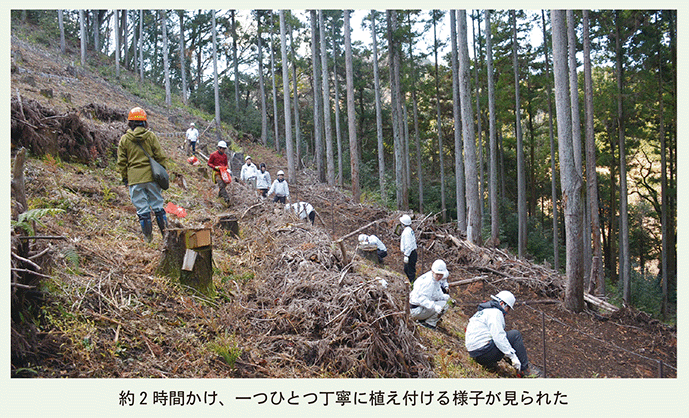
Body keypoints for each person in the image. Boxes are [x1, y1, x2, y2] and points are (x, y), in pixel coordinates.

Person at [117, 107, 168, 242]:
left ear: (130, 123)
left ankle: (148, 239)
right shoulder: (150, 136)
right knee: (158, 206)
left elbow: (122, 162)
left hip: (135, 179)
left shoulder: (124, 140)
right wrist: (162, 171)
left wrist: (125, 178)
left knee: (142, 210)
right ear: (145, 122)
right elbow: (160, 156)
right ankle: (167, 237)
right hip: (152, 177)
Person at [464, 290, 541, 377]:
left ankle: (491, 364)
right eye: (508, 308)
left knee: (505, 340)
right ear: (502, 304)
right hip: (484, 353)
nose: (507, 312)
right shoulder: (495, 313)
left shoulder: (483, 312)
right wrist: (513, 357)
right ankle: (525, 370)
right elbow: (499, 337)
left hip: (475, 353)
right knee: (515, 335)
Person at [409, 260, 451, 329]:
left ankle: (425, 319)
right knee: (444, 305)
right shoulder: (428, 282)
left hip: (419, 308)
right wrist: (434, 306)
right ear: (433, 271)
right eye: (437, 274)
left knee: (445, 302)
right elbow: (422, 299)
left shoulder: (434, 279)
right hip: (415, 310)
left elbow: (436, 293)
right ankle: (428, 323)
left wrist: (445, 297)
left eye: (441, 274)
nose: (439, 276)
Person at [207, 140, 232, 205]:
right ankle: (227, 199)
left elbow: (226, 164)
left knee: (224, 185)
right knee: (221, 185)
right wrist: (215, 167)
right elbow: (209, 163)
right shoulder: (213, 155)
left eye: (224, 149)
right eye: (223, 149)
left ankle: (219, 197)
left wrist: (226, 168)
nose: (223, 150)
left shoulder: (225, 156)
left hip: (223, 173)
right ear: (219, 148)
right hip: (216, 172)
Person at [399, 214, 417, 283]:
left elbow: (408, 245)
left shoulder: (406, 232)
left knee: (410, 271)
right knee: (407, 269)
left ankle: (412, 284)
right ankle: (411, 282)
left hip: (410, 254)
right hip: (411, 253)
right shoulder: (409, 230)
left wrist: (406, 255)